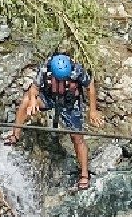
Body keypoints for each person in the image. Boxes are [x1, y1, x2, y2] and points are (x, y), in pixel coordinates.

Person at [6, 53, 103, 192]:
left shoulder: (77, 70)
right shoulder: (46, 68)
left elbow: (90, 86)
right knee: (26, 101)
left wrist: (92, 110)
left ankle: (84, 174)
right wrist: (33, 101)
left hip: (70, 104)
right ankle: (15, 134)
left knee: (77, 139)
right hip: (49, 97)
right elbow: (34, 87)